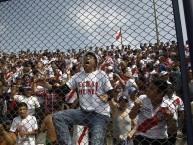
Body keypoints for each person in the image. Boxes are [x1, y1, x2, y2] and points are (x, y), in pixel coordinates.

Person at [38, 51, 115, 145]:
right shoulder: (77, 76)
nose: (87, 58)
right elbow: (64, 89)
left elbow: (112, 91)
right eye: (86, 57)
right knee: (58, 117)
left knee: (96, 142)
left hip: (99, 115)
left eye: (90, 57)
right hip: (83, 113)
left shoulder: (101, 74)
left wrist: (107, 95)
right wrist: (47, 85)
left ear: (96, 62)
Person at [129, 79, 177, 145]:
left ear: (160, 93)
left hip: (160, 138)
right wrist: (136, 107)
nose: (147, 89)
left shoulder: (169, 105)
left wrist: (170, 118)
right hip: (142, 136)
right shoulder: (142, 99)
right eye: (149, 87)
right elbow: (131, 116)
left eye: (151, 88)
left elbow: (173, 131)